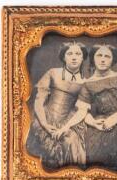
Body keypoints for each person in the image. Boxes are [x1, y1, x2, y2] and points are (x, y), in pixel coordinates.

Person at [60, 44, 117, 171]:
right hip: (100, 123)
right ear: (93, 58)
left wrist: (115, 118)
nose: (103, 59)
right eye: (99, 55)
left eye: (107, 56)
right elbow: (83, 111)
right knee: (94, 159)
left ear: (113, 60)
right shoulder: (87, 84)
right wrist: (93, 123)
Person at [26, 42, 88, 170]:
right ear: (64, 57)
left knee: (71, 142)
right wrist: (44, 124)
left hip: (69, 122)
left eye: (78, 54)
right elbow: (39, 101)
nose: (74, 57)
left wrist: (66, 127)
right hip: (45, 117)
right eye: (69, 53)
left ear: (83, 58)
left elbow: (82, 110)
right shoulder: (53, 73)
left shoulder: (85, 82)